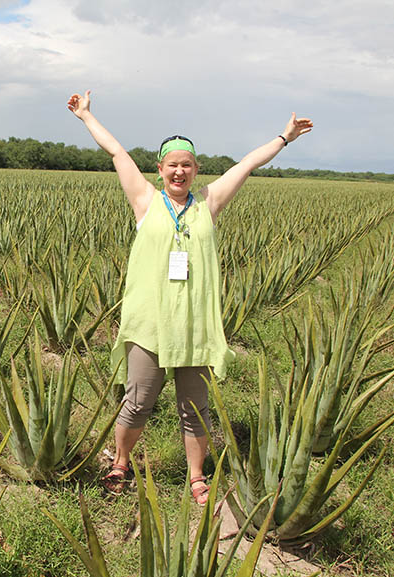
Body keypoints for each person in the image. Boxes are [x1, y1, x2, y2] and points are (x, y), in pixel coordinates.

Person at [67, 90, 313, 502]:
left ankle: (196, 476)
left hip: (195, 328)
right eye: (172, 165)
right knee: (138, 401)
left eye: (186, 165)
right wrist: (86, 116)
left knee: (195, 409)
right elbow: (116, 153)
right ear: (160, 168)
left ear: (196, 169)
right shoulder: (145, 201)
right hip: (151, 325)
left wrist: (284, 138)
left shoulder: (208, 204)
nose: (179, 172)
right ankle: (121, 462)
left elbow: (248, 164)